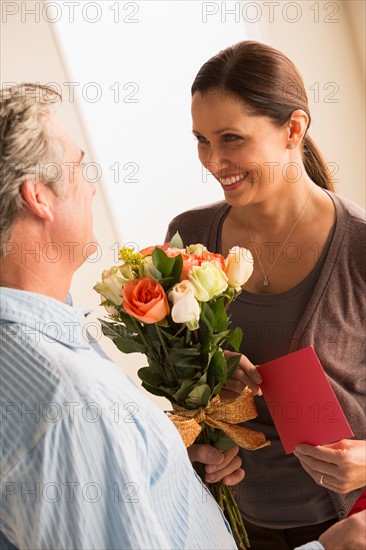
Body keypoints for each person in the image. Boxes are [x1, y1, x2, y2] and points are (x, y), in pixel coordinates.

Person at [0, 83, 243, 550]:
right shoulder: (73, 404)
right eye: (78, 167)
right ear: (39, 198)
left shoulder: (43, 364)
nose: (91, 185)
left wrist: (160, 469)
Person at [166, 41, 366, 549]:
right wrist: (202, 434)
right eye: (202, 139)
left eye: (231, 138)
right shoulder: (187, 238)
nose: (214, 160)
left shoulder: (359, 246)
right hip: (241, 526)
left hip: (353, 526)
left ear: (293, 129)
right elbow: (178, 392)